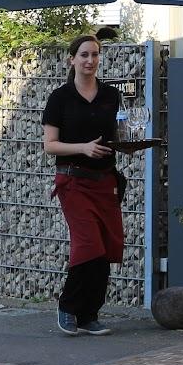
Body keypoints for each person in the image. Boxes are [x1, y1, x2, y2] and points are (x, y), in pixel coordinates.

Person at [42, 34, 124, 337]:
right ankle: (68, 307)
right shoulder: (60, 98)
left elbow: (121, 134)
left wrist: (131, 143)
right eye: (84, 55)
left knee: (107, 245)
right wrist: (83, 148)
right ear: (72, 59)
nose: (90, 61)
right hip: (73, 180)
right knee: (89, 243)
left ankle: (90, 314)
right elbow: (50, 146)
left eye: (95, 55)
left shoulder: (111, 95)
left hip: (105, 181)